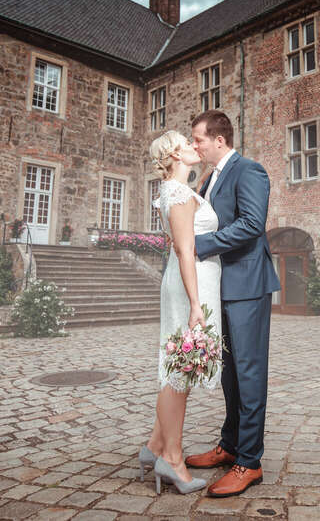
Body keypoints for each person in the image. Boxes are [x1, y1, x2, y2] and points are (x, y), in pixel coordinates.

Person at [184, 110, 280, 498]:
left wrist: (199, 247)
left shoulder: (249, 170)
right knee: (229, 373)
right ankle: (229, 445)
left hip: (248, 286)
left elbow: (252, 224)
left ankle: (250, 461)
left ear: (219, 140)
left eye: (198, 139)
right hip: (221, 288)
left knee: (249, 371)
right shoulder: (210, 178)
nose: (195, 145)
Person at [139, 130, 222, 495]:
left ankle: (155, 446)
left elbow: (179, 247)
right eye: (186, 143)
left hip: (184, 282)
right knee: (180, 369)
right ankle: (172, 458)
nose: (194, 146)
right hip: (191, 286)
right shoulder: (180, 193)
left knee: (180, 367)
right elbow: (186, 252)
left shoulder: (176, 192)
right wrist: (194, 305)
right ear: (174, 153)